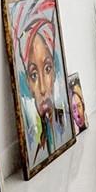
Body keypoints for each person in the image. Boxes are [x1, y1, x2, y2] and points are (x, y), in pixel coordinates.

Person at [18, 9, 68, 157]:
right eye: (33, 75)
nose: (42, 88)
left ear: (54, 72)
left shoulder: (64, 130)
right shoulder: (34, 148)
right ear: (27, 82)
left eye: (47, 69)